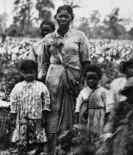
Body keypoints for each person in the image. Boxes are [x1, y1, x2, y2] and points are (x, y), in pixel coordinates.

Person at [39, 5, 91, 155]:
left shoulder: (79, 36)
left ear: (71, 18)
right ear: (55, 17)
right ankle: (52, 150)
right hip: (53, 80)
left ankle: (69, 149)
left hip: (73, 79)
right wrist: (39, 83)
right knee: (52, 115)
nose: (63, 19)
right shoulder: (48, 39)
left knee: (72, 114)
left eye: (66, 16)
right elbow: (44, 63)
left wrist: (82, 82)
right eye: (60, 16)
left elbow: (86, 61)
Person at [9, 60, 51, 154]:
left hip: (36, 117)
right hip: (22, 118)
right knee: (23, 139)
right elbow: (13, 100)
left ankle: (36, 151)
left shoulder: (41, 86)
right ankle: (22, 150)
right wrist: (13, 113)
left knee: (36, 140)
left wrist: (44, 115)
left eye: (31, 72)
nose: (29, 75)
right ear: (22, 73)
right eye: (26, 73)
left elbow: (46, 100)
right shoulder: (18, 87)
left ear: (35, 72)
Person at [75, 65, 109, 142]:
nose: (91, 81)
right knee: (86, 137)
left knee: (98, 136)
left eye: (94, 78)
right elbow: (78, 106)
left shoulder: (103, 91)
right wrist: (77, 118)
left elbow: (108, 107)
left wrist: (107, 122)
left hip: (99, 117)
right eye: (88, 79)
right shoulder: (83, 92)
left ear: (99, 79)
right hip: (86, 118)